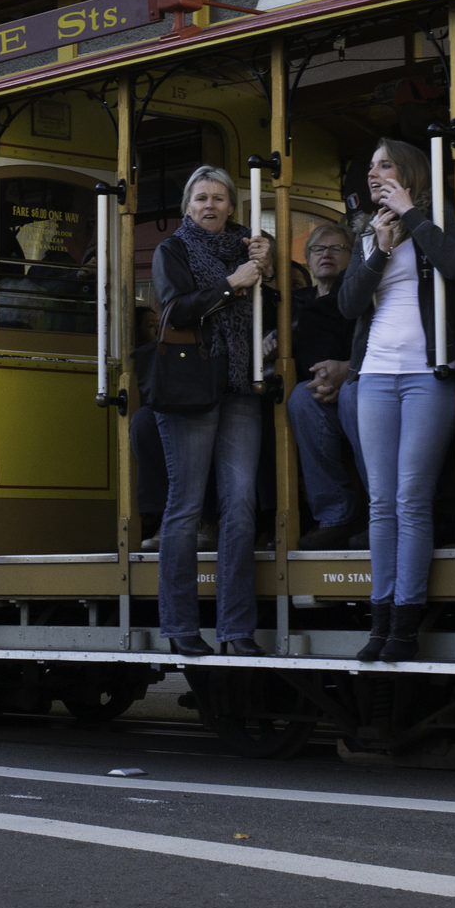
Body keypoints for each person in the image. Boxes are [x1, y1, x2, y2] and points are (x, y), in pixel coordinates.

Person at [341, 138, 455, 663]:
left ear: (409, 172)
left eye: (384, 165)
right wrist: (380, 248)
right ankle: (381, 618)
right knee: (381, 503)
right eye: (370, 167)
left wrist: (411, 214)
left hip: (426, 374)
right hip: (374, 374)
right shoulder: (370, 230)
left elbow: (453, 263)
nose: (373, 174)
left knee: (411, 499)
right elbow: (349, 303)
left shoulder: (433, 218)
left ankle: (406, 623)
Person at [151, 166, 273, 658]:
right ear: (187, 205)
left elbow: (277, 304)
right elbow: (175, 309)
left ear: (231, 206)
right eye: (201, 197)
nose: (210, 205)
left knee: (240, 508)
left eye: (219, 198)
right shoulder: (171, 249)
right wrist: (233, 283)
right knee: (185, 510)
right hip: (191, 389)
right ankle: (181, 627)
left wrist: (267, 270)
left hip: (242, 387)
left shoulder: (252, 247)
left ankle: (235, 629)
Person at [289, 220, 363, 549]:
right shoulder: (293, 302)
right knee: (299, 399)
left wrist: (345, 371)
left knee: (353, 394)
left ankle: (381, 510)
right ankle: (334, 516)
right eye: (319, 249)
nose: (327, 254)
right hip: (317, 391)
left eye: (337, 248)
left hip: (357, 385)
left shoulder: (361, 292)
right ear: (307, 257)